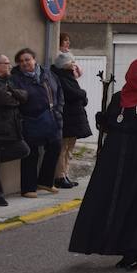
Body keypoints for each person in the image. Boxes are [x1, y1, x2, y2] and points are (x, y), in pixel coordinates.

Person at [68, 58, 137, 270]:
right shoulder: (119, 97)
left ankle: (132, 252)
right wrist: (103, 120)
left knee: (136, 203)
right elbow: (111, 125)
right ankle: (105, 243)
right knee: (107, 200)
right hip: (114, 158)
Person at [11, 48, 63, 198]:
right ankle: (28, 188)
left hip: (52, 117)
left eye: (27, 59)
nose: (24, 63)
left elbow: (59, 91)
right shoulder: (16, 79)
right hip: (30, 119)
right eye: (21, 61)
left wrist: (59, 109)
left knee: (55, 146)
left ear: (34, 59)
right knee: (30, 153)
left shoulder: (48, 74)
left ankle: (46, 182)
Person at [0, 54, 30, 206]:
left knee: (23, 150)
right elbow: (6, 100)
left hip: (8, 129)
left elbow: (25, 96)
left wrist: (13, 94)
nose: (10, 66)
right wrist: (14, 97)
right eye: (6, 63)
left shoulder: (7, 80)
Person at [51, 52, 92, 189]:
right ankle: (60, 176)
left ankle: (65, 174)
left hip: (74, 117)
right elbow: (73, 93)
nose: (74, 64)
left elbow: (78, 95)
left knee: (69, 149)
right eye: (71, 62)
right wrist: (83, 94)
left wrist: (81, 95)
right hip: (66, 118)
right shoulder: (60, 77)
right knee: (63, 149)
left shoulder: (69, 76)